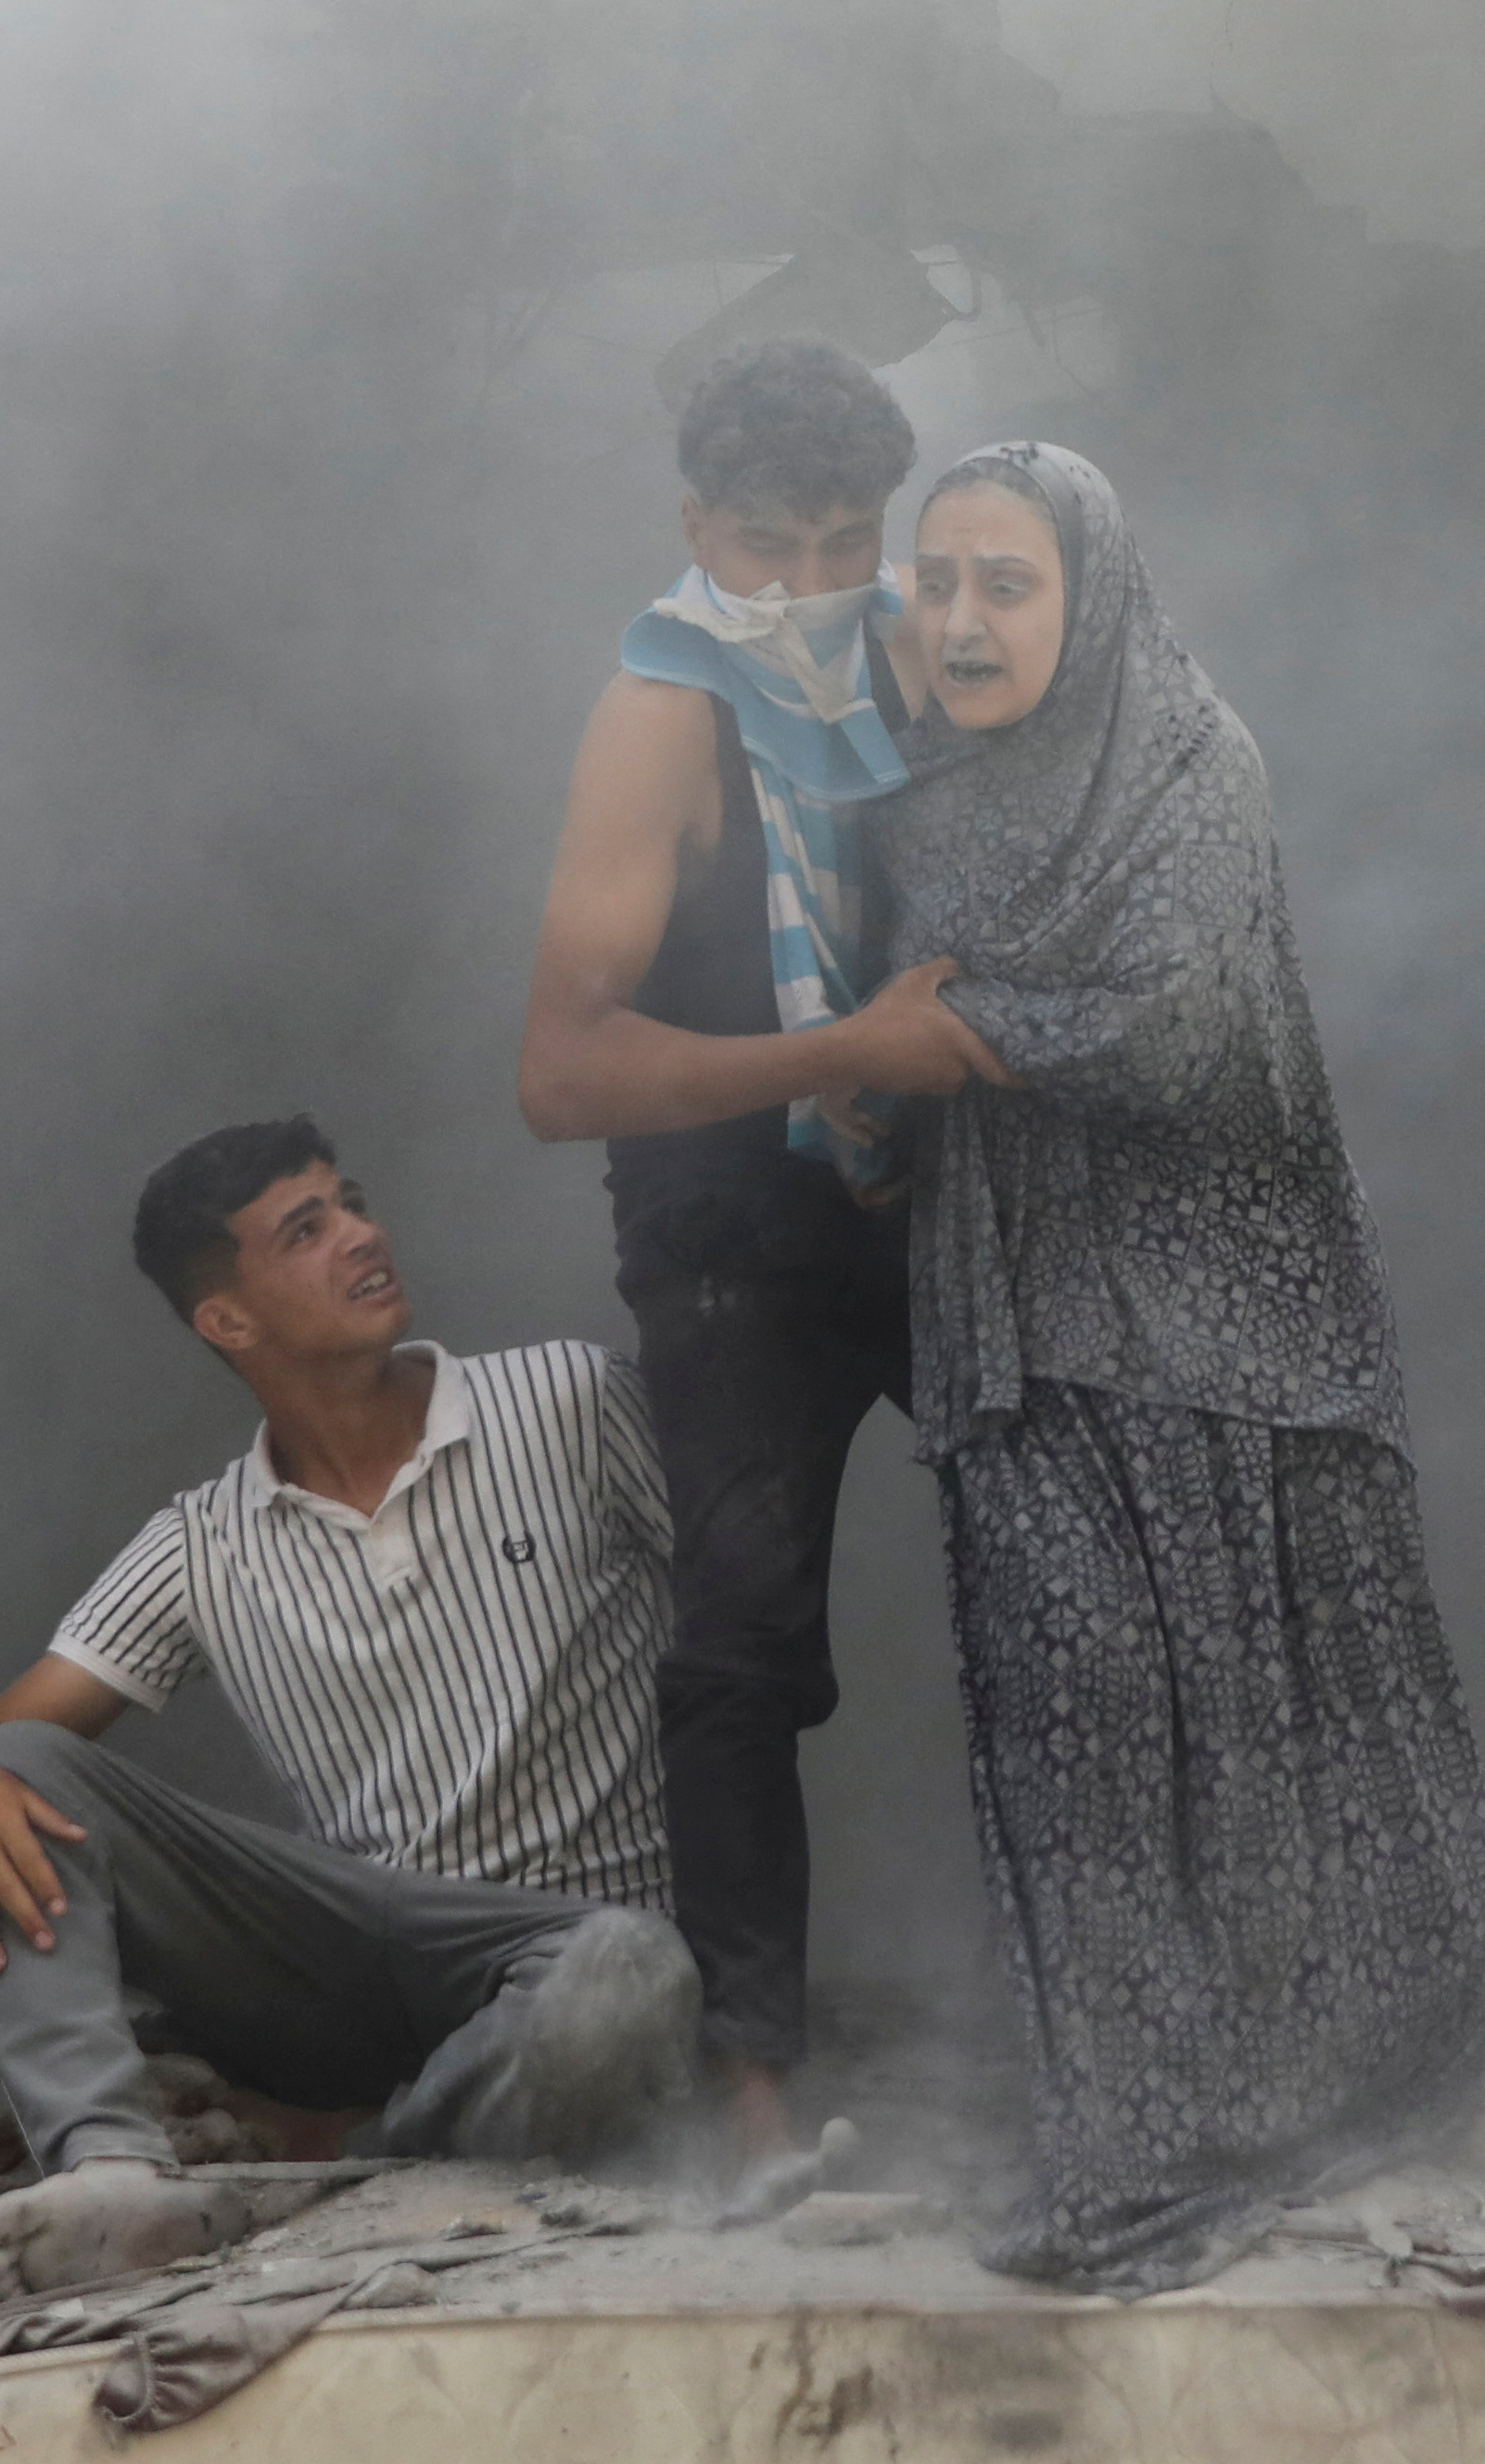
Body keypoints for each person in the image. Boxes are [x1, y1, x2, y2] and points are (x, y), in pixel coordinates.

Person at [864, 441, 1485, 2293]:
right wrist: (865, 1088)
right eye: (938, 581)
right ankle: (1133, 2149)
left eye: (1006, 584)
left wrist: (936, 1035)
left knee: (1261, 1726)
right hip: (1021, 1323)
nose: (963, 621)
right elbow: (885, 1058)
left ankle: (1346, 2090)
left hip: (1227, 1333)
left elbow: (1172, 1030)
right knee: (1075, 1716)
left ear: (1091, 598)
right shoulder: (923, 802)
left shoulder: (1190, 762)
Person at [0, 1117, 700, 2294]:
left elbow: (750, 1640)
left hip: (583, 1948)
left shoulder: (569, 1400)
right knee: (3, 1766)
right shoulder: (201, 1544)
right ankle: (112, 2171)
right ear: (229, 1320)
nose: (362, 1234)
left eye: (352, 1203)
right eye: (307, 1230)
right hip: (370, 1951)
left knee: (627, 1972)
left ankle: (354, 2164)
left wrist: (756, 2034)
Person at [516, 338, 996, 2153]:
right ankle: (750, 2092)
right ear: (695, 524)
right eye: (766, 547)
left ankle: (1124, 2003)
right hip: (727, 1222)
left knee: (1083, 1562)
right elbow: (560, 1075)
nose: (806, 585)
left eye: (845, 542)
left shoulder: (921, 643)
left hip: (929, 1202)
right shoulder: (659, 716)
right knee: (739, 1640)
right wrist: (840, 1052)